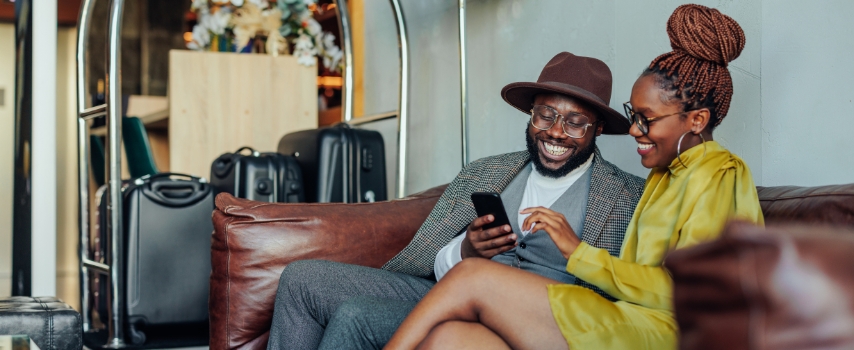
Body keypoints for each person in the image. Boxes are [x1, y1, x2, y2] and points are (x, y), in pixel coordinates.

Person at [384, 4, 764, 350]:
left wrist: (577, 252)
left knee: (473, 277)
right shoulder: (666, 176)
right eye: (634, 116)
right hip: (625, 320)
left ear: (696, 121)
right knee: (452, 339)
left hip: (658, 336)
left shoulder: (719, 174)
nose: (634, 130)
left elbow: (694, 297)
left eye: (646, 120)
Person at [266, 52, 646, 350]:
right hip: (448, 297)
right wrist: (467, 250)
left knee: (357, 316)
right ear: (531, 116)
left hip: (537, 323)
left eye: (575, 122)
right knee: (302, 279)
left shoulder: (627, 198)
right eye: (546, 115)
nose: (556, 132)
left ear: (597, 129)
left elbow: (630, 298)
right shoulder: (485, 173)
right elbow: (427, 263)